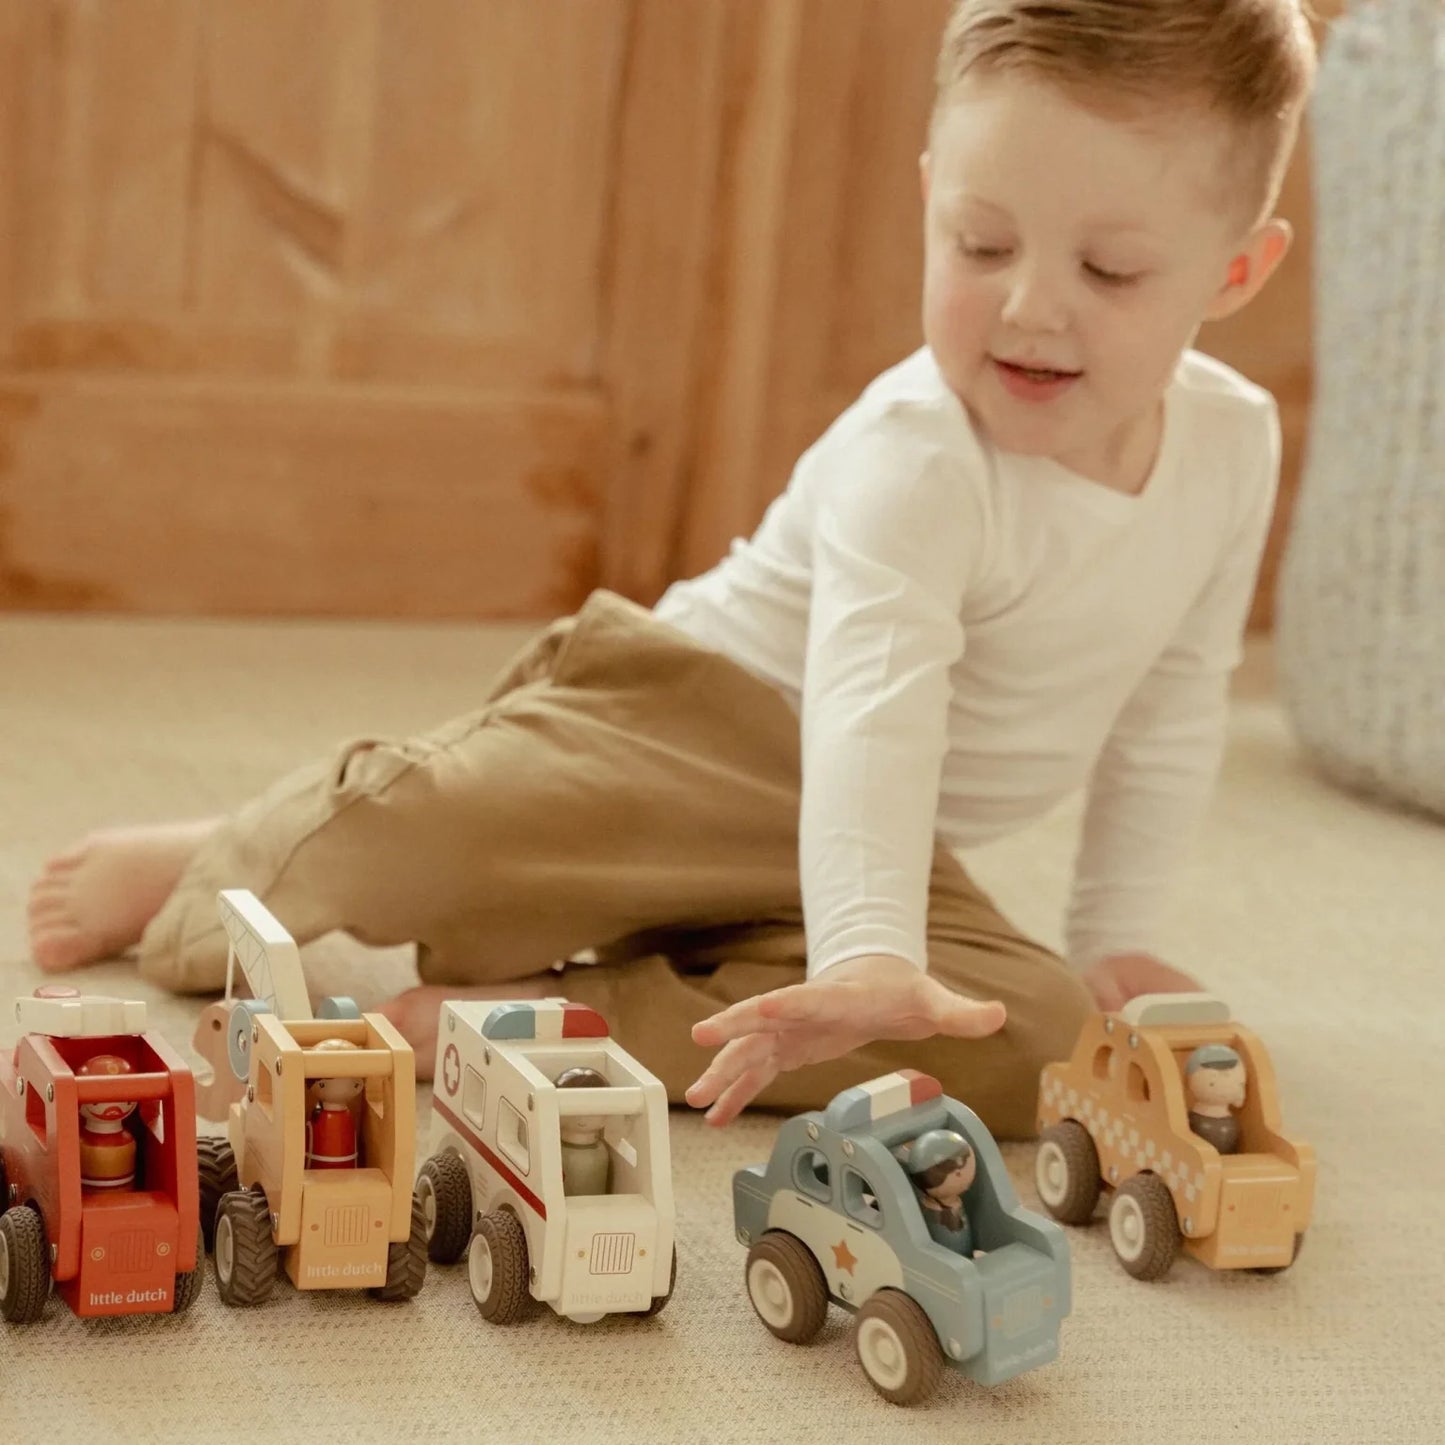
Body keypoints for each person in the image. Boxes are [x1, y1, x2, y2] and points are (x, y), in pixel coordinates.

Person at [24, 1, 1316, 1140]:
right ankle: (232, 850)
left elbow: (1171, 702)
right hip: (682, 731)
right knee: (428, 836)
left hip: (880, 835)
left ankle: (537, 1016)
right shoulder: (918, 452)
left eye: (1109, 269)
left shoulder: (1231, 446)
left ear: (1234, 272)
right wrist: (870, 948)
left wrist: (1106, 940)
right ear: (930, 200)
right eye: (981, 245)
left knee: (1030, 1034)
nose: (1031, 306)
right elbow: (876, 702)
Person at [897, 1128, 977, 1256]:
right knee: (951, 1243)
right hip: (947, 1258)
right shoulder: (934, 1206)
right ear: (957, 1173)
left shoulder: (944, 1199)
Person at [1184, 1043, 1248, 1154]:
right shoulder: (1193, 1120)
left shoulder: (1231, 1122)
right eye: (1212, 1084)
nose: (1225, 1088)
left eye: (1236, 1083)